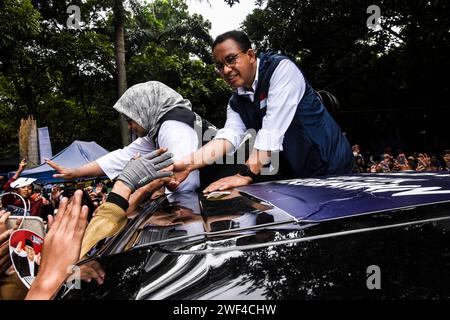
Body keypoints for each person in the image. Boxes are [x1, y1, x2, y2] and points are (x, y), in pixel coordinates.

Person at [171, 30, 354, 193]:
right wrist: (188, 164)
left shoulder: (281, 70)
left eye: (231, 59)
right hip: (300, 177)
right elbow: (227, 138)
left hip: (334, 168)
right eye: (219, 66)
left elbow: (271, 132)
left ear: (250, 55)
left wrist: (245, 174)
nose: (226, 70)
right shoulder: (236, 102)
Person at [45, 81, 211, 192]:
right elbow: (120, 157)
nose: (130, 127)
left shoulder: (173, 126)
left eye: (130, 120)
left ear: (144, 111)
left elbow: (185, 185)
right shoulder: (158, 131)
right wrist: (74, 173)